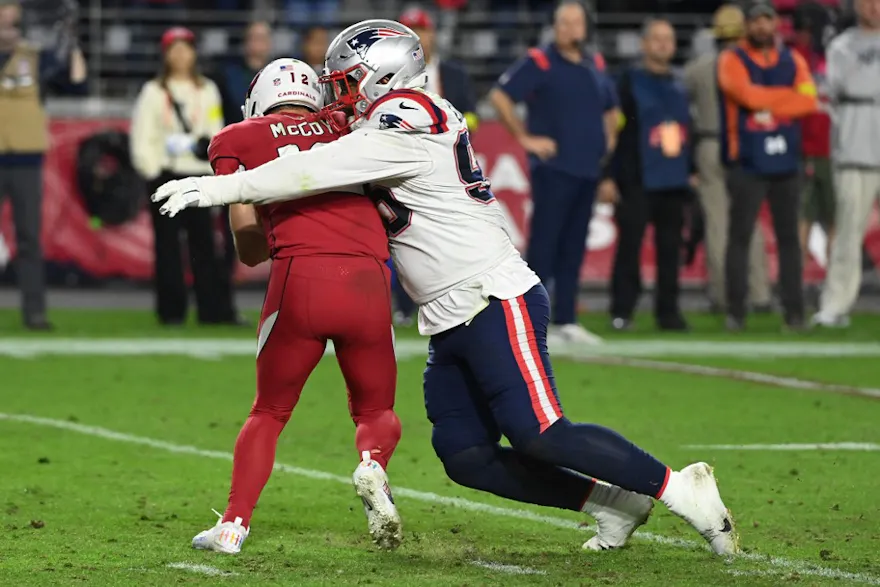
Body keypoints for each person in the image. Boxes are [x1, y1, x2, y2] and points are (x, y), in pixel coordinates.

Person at [152, 18, 739, 557]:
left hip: (489, 292)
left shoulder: (410, 115)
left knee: (540, 432)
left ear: (383, 74)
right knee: (466, 457)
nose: (339, 92)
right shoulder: (377, 117)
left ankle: (676, 486)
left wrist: (221, 188)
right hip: (446, 311)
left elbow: (318, 168)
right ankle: (614, 504)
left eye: (347, 80)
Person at [191, 59, 402, 554]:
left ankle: (233, 525)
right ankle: (372, 465)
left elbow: (247, 245)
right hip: (369, 277)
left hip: (302, 279)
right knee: (376, 410)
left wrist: (284, 222)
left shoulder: (237, 137)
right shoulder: (352, 125)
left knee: (269, 411)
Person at [489, 0, 618, 345]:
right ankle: (531, 320)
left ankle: (567, 320)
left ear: (585, 26)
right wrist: (524, 138)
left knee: (574, 245)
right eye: (563, 22)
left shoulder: (595, 63)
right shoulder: (540, 61)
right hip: (555, 168)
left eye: (575, 22)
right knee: (545, 245)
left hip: (588, 167)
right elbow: (501, 96)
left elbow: (610, 107)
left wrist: (609, 139)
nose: (569, 29)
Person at [717, 0, 818, 331]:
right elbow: (746, 96)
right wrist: (784, 100)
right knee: (740, 237)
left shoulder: (793, 58)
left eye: (767, 21)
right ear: (747, 25)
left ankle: (794, 312)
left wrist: (769, 99)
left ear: (776, 24)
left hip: (786, 160)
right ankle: (736, 311)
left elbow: (808, 100)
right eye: (756, 22)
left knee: (789, 239)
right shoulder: (731, 59)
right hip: (746, 161)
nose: (762, 27)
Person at [130, 27, 238, 326]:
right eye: (173, 49)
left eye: (185, 48)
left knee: (205, 246)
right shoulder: (154, 91)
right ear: (165, 55)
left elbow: (216, 127)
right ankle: (171, 312)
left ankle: (213, 311)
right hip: (165, 175)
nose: (180, 55)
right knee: (167, 247)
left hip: (198, 176)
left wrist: (209, 160)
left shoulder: (207, 89)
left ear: (193, 53)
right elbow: (142, 136)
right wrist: (153, 171)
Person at [0, 0, 87, 330]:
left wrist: (73, 44)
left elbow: (76, 85)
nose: (6, 26)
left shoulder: (36, 59)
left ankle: (34, 312)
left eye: (11, 21)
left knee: (29, 239)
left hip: (25, 160)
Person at [683, 4, 772, 315]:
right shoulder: (754, 65)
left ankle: (722, 295)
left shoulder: (698, 69)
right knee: (752, 224)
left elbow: (683, 108)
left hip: (710, 144)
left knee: (718, 225)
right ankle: (760, 294)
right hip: (747, 146)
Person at [607, 18, 692, 332]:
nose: (663, 45)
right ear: (643, 44)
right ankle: (622, 310)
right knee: (630, 247)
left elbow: (688, 130)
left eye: (668, 39)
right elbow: (612, 131)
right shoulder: (627, 82)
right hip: (637, 177)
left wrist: (691, 169)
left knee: (671, 251)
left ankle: (668, 312)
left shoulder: (680, 83)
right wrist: (608, 175)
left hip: (674, 179)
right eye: (656, 39)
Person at [813, 0, 880, 328]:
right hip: (855, 147)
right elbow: (838, 89)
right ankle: (834, 306)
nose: (873, 8)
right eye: (866, 2)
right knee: (848, 230)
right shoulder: (841, 46)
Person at [791, 1, 837, 284]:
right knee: (803, 217)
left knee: (834, 218)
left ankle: (833, 284)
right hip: (805, 149)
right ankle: (794, 282)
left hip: (833, 148)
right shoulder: (795, 59)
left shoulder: (836, 57)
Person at [213, 20, 273, 126]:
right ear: (246, 42)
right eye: (254, 38)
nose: (258, 42)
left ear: (269, 43)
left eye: (262, 38)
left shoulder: (278, 74)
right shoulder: (227, 76)